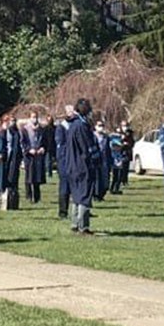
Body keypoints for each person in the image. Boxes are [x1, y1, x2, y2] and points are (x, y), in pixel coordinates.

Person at [62, 97, 102, 235]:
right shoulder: (81, 126)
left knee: (76, 196)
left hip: (72, 165)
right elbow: (87, 148)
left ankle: (74, 224)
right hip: (82, 165)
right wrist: (95, 159)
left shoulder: (73, 125)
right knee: (84, 195)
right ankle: (83, 226)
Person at [22, 113, 47, 205]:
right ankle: (28, 195)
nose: (35, 119)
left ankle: (37, 196)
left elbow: (45, 142)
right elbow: (23, 143)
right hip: (29, 156)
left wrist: (42, 148)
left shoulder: (41, 129)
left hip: (38, 155)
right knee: (29, 176)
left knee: (37, 177)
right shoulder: (25, 130)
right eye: (33, 117)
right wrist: (28, 150)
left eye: (36, 117)